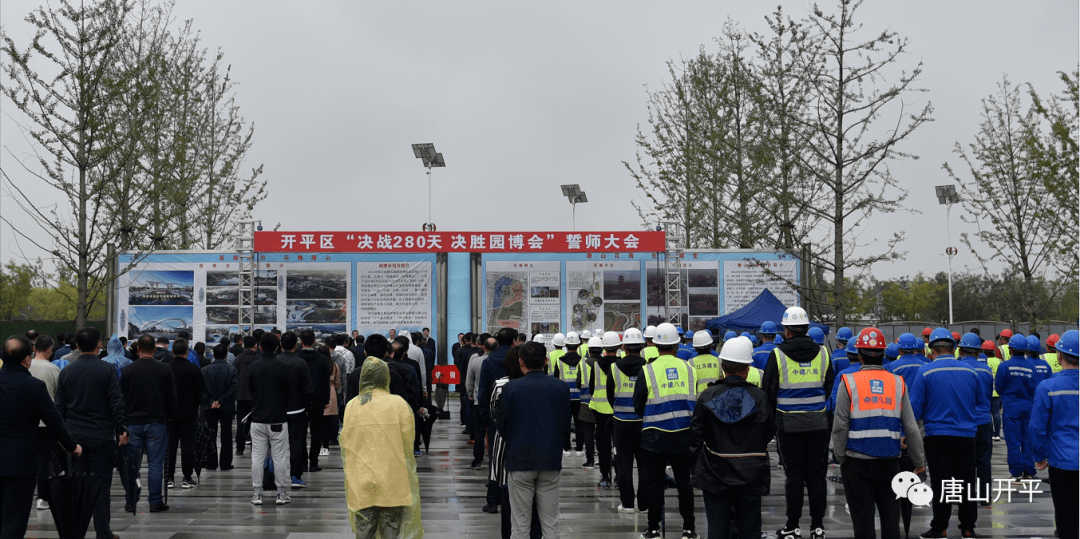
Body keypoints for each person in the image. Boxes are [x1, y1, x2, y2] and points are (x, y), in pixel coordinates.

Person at [832, 328, 926, 539]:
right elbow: (911, 426)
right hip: (890, 462)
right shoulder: (897, 383)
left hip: (856, 462)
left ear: (860, 355)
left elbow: (840, 425)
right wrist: (919, 460)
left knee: (863, 520)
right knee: (891, 519)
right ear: (884, 354)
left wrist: (840, 457)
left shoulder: (848, 382)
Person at [690, 335, 774, 539]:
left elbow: (695, 437)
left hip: (716, 473)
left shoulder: (709, 396)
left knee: (718, 529)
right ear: (747, 370)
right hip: (751, 474)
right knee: (750, 529)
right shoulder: (759, 397)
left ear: (723, 366)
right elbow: (770, 431)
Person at [762, 307, 833, 539]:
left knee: (794, 476)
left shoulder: (778, 354)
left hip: (788, 425)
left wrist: (774, 422)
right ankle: (818, 526)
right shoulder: (823, 352)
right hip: (818, 424)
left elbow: (769, 391)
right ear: (806, 328)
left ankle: (792, 526)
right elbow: (829, 387)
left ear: (787, 330)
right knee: (816, 475)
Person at [1, 335, 81, 539]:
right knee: (14, 519)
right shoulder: (33, 387)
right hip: (19, 463)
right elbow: (55, 421)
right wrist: (72, 446)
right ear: (26, 359)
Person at [909, 328, 985, 538]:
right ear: (954, 349)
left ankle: (940, 527)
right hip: (966, 436)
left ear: (931, 350)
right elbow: (979, 402)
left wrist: (905, 433)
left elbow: (915, 407)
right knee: (967, 483)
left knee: (942, 482)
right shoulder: (971, 372)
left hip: (937, 436)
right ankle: (968, 528)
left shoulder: (925, 372)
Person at [55, 327, 129, 539]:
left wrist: (62, 437)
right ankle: (103, 532)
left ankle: (76, 531)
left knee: (77, 486)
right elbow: (117, 403)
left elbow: (59, 407)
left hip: (74, 436)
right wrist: (122, 428)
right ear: (99, 345)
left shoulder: (67, 371)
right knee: (101, 486)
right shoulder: (107, 371)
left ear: (77, 346)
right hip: (101, 436)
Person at [341, 357, 423, 539]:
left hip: (362, 479)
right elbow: (408, 440)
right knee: (391, 528)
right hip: (393, 479)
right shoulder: (399, 404)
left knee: (364, 530)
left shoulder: (353, 405)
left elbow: (346, 441)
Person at [498, 341, 570, 539]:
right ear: (546, 361)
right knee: (550, 524)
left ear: (521, 363)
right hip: (550, 459)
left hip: (520, 460)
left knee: (520, 526)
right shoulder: (560, 387)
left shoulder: (511, 388)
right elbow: (565, 423)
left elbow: (502, 424)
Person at [633, 323, 698, 539]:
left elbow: (638, 403)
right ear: (677, 345)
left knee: (655, 484)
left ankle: (653, 529)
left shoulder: (647, 370)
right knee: (684, 485)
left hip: (654, 436)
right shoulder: (690, 369)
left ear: (655, 345)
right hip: (683, 435)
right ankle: (689, 529)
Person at [1030, 329, 1079, 539]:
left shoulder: (1048, 387)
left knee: (1066, 514)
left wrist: (1039, 456)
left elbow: (1037, 427)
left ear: (1059, 356)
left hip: (1062, 461)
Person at [121, 334, 177, 513]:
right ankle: (155, 501)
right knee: (155, 464)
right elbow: (172, 398)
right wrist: (168, 416)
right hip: (156, 421)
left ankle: (131, 500)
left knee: (132, 465)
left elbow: (121, 398)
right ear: (154, 349)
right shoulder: (164, 369)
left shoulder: (127, 370)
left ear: (138, 349)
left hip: (133, 422)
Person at [491, 345, 542, 539]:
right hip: (535, 446)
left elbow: (494, 415)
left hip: (505, 445)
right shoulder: (541, 384)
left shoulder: (501, 384)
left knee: (509, 501)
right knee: (536, 500)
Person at [995, 333, 1052, 481]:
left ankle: (1016, 472)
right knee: (1027, 439)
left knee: (1013, 441)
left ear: (1011, 350)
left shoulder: (1004, 366)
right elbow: (1035, 387)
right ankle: (1029, 470)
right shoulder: (1031, 367)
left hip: (1011, 406)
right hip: (1029, 406)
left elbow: (999, 387)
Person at [248, 333, 296, 505]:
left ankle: (257, 494)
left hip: (258, 418)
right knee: (280, 458)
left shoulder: (253, 367)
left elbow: (250, 389)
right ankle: (281, 493)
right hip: (278, 418)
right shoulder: (283, 367)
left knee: (257, 458)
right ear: (277, 347)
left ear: (261, 347)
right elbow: (288, 393)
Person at [609, 329, 649, 515]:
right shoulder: (648, 367)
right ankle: (643, 504)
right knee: (644, 464)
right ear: (642, 347)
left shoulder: (614, 368)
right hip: (643, 422)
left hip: (620, 422)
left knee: (623, 464)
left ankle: (627, 504)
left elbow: (610, 395)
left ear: (623, 347)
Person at [478, 328, 517, 514]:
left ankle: (492, 500)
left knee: (495, 456)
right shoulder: (519, 359)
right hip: (518, 413)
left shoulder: (489, 361)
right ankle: (511, 496)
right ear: (515, 341)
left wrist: (484, 415)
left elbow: (483, 392)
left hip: (495, 415)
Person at [957, 333, 995, 505]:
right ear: (979, 352)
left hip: (964, 422)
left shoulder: (958, 369)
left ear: (960, 350)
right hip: (983, 422)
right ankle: (985, 497)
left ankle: (962, 496)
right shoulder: (986, 370)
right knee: (984, 461)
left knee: (963, 462)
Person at [163, 338, 204, 490]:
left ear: (173, 352)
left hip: (169, 414)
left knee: (170, 446)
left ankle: (169, 478)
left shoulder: (165, 368)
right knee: (187, 445)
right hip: (189, 413)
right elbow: (201, 391)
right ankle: (187, 477)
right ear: (187, 352)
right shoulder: (193, 369)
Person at [274, 332, 314, 488]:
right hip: (297, 410)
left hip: (277, 411)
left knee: (277, 445)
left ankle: (277, 477)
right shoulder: (300, 363)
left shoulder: (275, 362)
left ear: (281, 345)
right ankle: (296, 476)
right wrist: (307, 407)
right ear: (295, 345)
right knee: (297, 443)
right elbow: (307, 389)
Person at [28, 335, 62, 511]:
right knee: (43, 460)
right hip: (45, 423)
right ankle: (42, 497)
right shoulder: (54, 369)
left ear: (34, 349)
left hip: (24, 422)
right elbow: (58, 397)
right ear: (49, 350)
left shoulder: (24, 366)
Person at [588, 328, 622, 489]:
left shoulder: (596, 365)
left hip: (600, 409)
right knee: (619, 445)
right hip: (618, 410)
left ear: (603, 347)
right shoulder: (621, 364)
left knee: (603, 445)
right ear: (618, 347)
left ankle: (604, 477)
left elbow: (591, 387)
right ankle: (619, 477)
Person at [297, 330, 331, 471]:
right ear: (314, 341)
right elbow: (325, 382)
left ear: (300, 341)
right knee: (317, 432)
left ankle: (303, 463)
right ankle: (314, 462)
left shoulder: (297, 358)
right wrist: (326, 399)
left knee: (301, 432)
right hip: (318, 399)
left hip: (300, 400)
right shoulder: (322, 359)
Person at [201, 343, 238, 472]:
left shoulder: (204, 370)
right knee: (226, 435)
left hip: (209, 406)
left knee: (210, 434)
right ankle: (225, 463)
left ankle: (211, 462)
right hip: (226, 406)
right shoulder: (232, 370)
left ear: (213, 355)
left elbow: (201, 389)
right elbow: (234, 388)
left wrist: (211, 401)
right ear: (226, 356)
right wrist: (221, 400)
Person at [553, 334, 585, 456]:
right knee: (579, 423)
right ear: (578, 345)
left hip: (564, 397)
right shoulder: (582, 361)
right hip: (579, 397)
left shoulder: (559, 361)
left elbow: (556, 380)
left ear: (565, 345)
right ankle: (579, 449)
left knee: (565, 423)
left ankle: (566, 448)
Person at [467, 336, 496, 468]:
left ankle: (477, 460)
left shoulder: (475, 361)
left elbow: (469, 381)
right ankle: (494, 459)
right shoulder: (499, 362)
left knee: (479, 432)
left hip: (479, 402)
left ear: (483, 347)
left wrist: (470, 393)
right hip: (496, 402)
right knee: (494, 432)